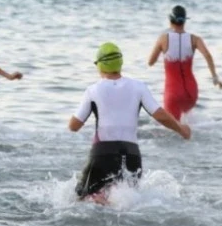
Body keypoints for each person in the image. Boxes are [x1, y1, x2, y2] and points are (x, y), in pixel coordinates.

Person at [69, 44, 191, 203]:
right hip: (132, 155)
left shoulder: (93, 90)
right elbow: (160, 115)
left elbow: (74, 126)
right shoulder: (139, 87)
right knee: (125, 202)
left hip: (102, 153)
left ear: (99, 65)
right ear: (120, 62)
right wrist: (181, 129)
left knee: (82, 198)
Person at [147, 5, 222, 121]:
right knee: (188, 123)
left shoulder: (163, 38)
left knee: (172, 130)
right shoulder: (195, 39)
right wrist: (215, 78)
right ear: (184, 21)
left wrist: (161, 44)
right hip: (191, 92)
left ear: (170, 20)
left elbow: (150, 62)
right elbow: (208, 56)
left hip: (172, 92)